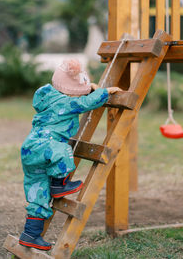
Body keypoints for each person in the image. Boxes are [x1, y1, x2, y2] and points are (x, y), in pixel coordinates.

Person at [19, 58, 122, 251]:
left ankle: (30, 234)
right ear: (70, 90)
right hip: (47, 145)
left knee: (38, 192)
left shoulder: (48, 98)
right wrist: (104, 92)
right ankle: (59, 185)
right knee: (63, 150)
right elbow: (85, 103)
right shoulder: (65, 103)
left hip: (29, 149)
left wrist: (85, 87)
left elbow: (75, 95)